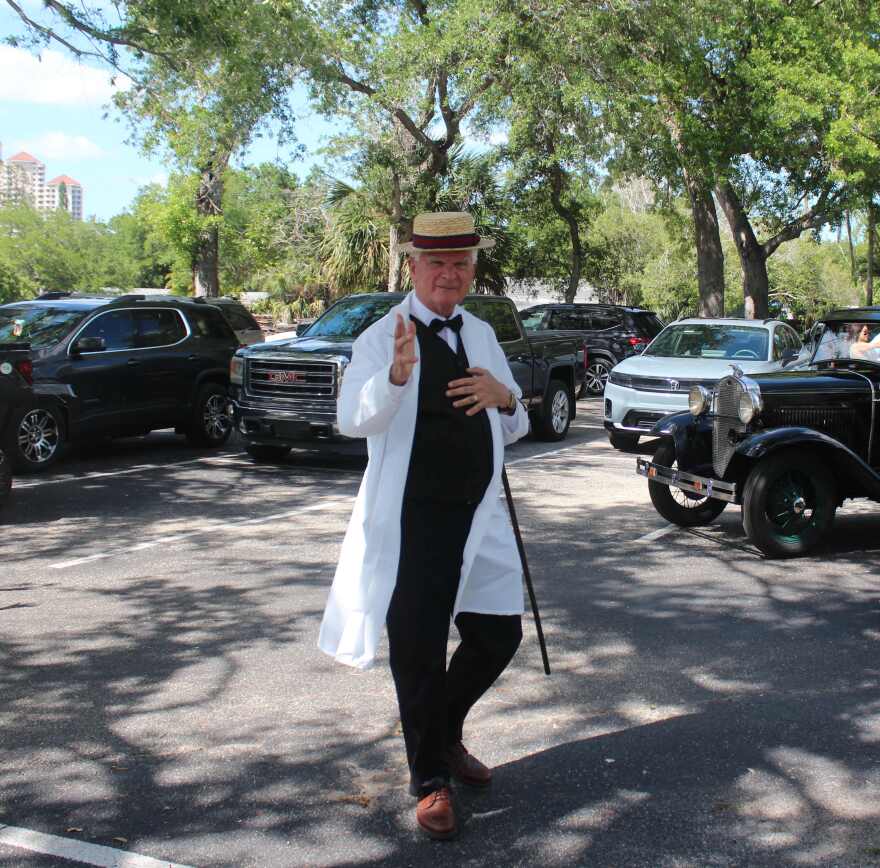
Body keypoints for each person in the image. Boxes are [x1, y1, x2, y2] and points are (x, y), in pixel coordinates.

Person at [318, 211, 530, 840]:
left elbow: (513, 424)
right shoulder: (383, 336)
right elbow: (351, 419)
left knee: (498, 635)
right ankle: (431, 779)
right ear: (413, 267)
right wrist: (395, 378)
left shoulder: (484, 334)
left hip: (479, 515)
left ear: (472, 269)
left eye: (460, 263)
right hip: (413, 522)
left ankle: (443, 730)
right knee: (418, 650)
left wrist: (508, 397)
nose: (449, 274)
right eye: (436, 263)